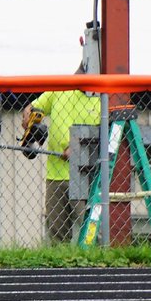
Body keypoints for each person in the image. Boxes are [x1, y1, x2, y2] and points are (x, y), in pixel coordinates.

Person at [25, 56, 102, 245]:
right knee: (56, 234)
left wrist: (78, 149)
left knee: (91, 232)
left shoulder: (103, 99)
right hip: (55, 176)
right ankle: (60, 270)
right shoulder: (60, 89)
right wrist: (30, 121)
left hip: (86, 176)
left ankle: (97, 266)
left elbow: (108, 139)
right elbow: (32, 108)